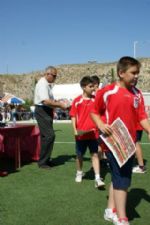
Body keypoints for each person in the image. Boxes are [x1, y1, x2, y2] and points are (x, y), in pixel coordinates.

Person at [91, 56, 150, 225]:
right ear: (121, 73)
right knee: (123, 181)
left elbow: (142, 117)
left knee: (119, 178)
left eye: (138, 72)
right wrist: (101, 124)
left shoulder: (137, 94)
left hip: (129, 144)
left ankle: (110, 211)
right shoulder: (107, 91)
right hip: (112, 144)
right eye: (133, 73)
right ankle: (122, 218)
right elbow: (94, 112)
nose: (137, 76)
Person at [69, 76, 105, 188]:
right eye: (90, 86)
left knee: (95, 155)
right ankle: (79, 172)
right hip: (81, 135)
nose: (93, 88)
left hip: (94, 134)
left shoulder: (96, 99)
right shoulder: (77, 100)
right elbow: (73, 116)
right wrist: (75, 130)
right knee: (79, 155)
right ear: (83, 87)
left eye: (94, 86)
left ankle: (97, 178)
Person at [34, 66, 68, 169]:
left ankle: (45, 160)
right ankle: (43, 162)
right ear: (47, 74)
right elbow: (46, 101)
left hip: (45, 110)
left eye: (55, 76)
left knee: (46, 137)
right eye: (54, 75)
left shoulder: (46, 85)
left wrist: (58, 103)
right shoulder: (42, 84)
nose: (55, 77)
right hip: (42, 110)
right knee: (49, 136)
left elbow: (49, 101)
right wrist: (60, 105)